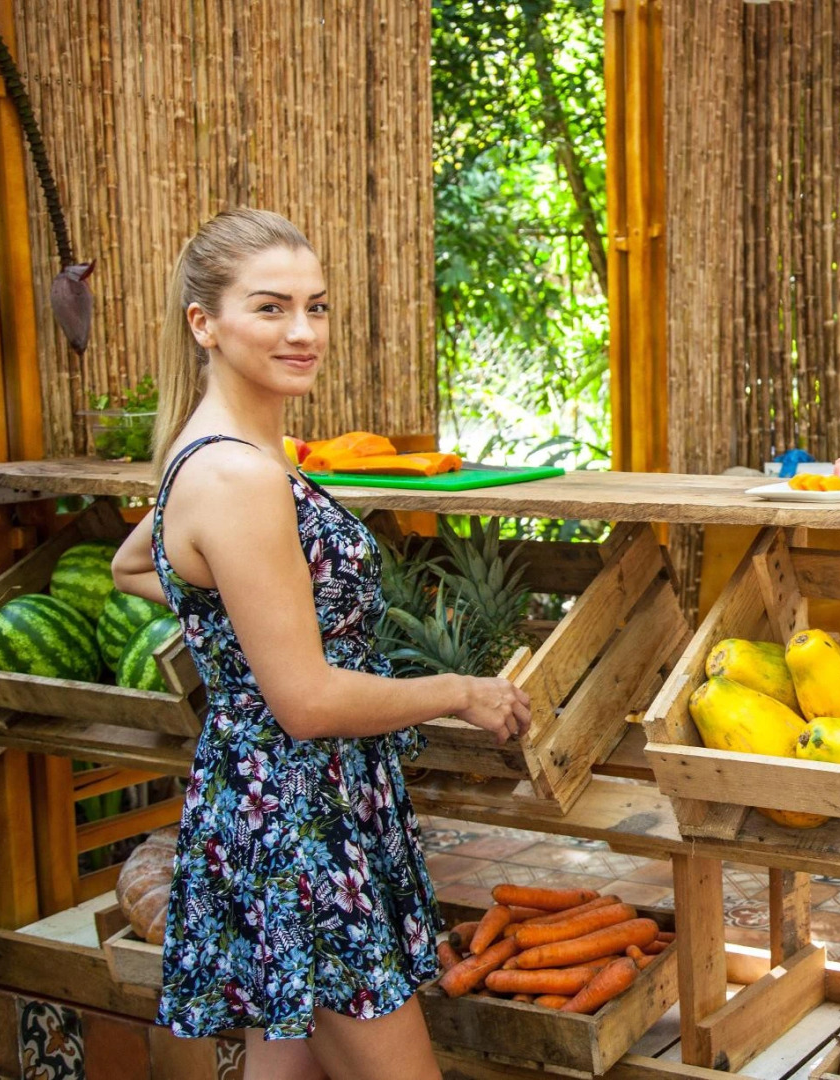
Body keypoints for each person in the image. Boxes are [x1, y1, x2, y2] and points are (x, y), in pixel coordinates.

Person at [110, 209, 531, 1080]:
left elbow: (131, 564)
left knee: (287, 1067)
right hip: (299, 822)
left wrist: (240, 613)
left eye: (318, 306)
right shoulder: (237, 475)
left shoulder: (227, 452)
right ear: (205, 323)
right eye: (270, 308)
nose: (303, 332)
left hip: (283, 803)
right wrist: (461, 689)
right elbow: (306, 702)